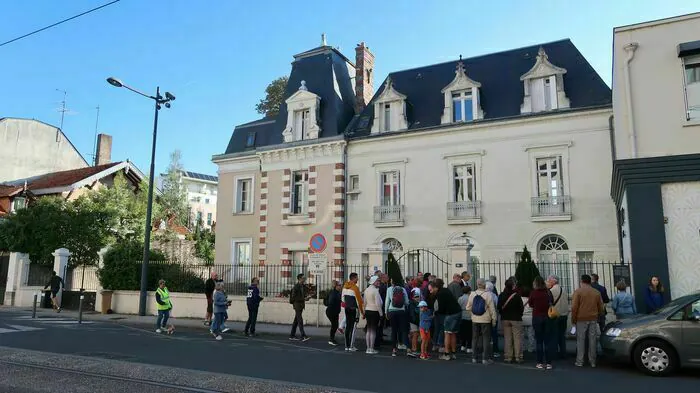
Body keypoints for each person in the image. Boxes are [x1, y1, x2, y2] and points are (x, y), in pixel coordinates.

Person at [572, 274, 604, 368]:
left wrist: (573, 320)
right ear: (590, 282)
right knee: (592, 340)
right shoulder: (596, 292)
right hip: (593, 318)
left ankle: (580, 361)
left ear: (581, 281)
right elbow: (601, 307)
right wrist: (598, 316)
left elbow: (574, 308)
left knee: (580, 340)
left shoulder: (578, 292)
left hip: (581, 318)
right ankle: (592, 361)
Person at [466, 278, 497, 365]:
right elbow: (492, 309)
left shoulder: (472, 294)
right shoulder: (488, 294)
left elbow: (467, 307)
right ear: (484, 285)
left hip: (475, 319)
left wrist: (472, 315)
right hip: (486, 319)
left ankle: (474, 358)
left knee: (475, 338)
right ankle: (485, 358)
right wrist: (494, 319)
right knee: (486, 338)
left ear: (477, 284)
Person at [433, 278, 463, 360]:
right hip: (458, 312)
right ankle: (453, 353)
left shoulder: (440, 294)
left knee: (447, 333)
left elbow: (441, 308)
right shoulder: (446, 290)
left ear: (436, 287)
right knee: (453, 333)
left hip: (450, 314)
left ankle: (446, 354)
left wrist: (436, 313)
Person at [529, 276, 554, 370]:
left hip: (537, 317)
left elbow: (531, 304)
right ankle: (548, 363)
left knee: (539, 340)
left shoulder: (533, 293)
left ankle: (539, 362)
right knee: (547, 341)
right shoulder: (548, 292)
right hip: (547, 317)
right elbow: (552, 302)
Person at [498, 278, 524, 364]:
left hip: (505, 318)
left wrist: (503, 313)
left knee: (507, 338)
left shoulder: (502, 295)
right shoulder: (516, 295)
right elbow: (521, 308)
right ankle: (518, 357)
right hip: (516, 318)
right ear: (513, 286)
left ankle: (508, 357)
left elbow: (499, 307)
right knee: (517, 338)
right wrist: (519, 315)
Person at [385, 278, 409, 357]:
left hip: (392, 311)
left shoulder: (389, 289)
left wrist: (386, 312)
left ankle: (394, 350)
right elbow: (406, 302)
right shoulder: (403, 289)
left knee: (394, 331)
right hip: (401, 311)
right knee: (404, 330)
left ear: (392, 282)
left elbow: (387, 301)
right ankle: (408, 348)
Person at [547, 275, 569, 359]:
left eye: (549, 281)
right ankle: (563, 353)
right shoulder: (564, 290)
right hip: (564, 315)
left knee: (554, 335)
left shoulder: (551, 291)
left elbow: (549, 302)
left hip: (555, 316)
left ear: (553, 281)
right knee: (561, 335)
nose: (548, 282)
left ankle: (554, 354)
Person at [342, 273, 365, 351]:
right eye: (357, 278)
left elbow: (343, 299)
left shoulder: (345, 286)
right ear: (354, 278)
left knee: (347, 326)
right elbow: (359, 302)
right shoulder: (355, 288)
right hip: (354, 309)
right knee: (353, 327)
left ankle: (346, 346)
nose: (357, 279)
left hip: (347, 308)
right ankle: (351, 346)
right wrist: (362, 313)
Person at [363, 275, 383, 354]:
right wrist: (381, 314)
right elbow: (378, 304)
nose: (379, 282)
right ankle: (371, 348)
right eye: (378, 281)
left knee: (368, 330)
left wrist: (364, 312)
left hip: (368, 311)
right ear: (374, 281)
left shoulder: (366, 290)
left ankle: (368, 348)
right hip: (375, 311)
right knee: (373, 331)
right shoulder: (375, 291)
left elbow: (364, 302)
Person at [289, 274, 311, 342]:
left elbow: (303, 295)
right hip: (297, 305)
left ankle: (292, 335)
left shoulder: (303, 286)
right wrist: (304, 299)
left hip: (301, 305)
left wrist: (307, 297)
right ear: (299, 279)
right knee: (300, 320)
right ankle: (303, 335)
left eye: (304, 278)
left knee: (296, 320)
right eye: (303, 278)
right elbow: (294, 297)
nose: (304, 279)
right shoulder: (296, 287)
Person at [325, 280, 342, 346]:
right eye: (339, 285)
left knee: (335, 325)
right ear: (336, 286)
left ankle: (332, 339)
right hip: (331, 312)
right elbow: (330, 302)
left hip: (334, 312)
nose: (341, 286)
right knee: (334, 325)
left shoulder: (337, 292)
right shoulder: (334, 293)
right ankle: (331, 340)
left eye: (341, 285)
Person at [485, 281, 500, 356]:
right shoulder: (494, 296)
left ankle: (485, 350)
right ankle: (495, 351)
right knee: (494, 334)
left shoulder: (482, 295)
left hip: (484, 317)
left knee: (485, 334)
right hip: (493, 316)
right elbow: (497, 306)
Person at [457, 286, 472, 353]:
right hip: (470, 316)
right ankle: (469, 347)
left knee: (463, 332)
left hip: (462, 316)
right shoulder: (471, 298)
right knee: (470, 332)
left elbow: (458, 307)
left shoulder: (460, 298)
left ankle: (463, 346)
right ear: (469, 291)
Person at [407, 288, 422, 357]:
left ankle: (412, 348)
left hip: (415, 321)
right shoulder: (412, 303)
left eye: (418, 296)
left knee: (414, 335)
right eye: (416, 296)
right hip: (414, 321)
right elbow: (412, 314)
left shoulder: (417, 303)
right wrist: (416, 322)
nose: (417, 298)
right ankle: (414, 349)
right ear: (413, 297)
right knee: (415, 335)